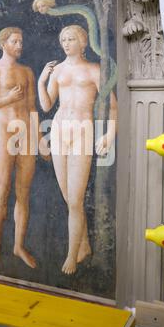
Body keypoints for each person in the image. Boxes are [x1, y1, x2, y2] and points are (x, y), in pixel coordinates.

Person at [38, 25, 117, 275]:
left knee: (75, 200)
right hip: (60, 130)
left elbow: (114, 108)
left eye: (71, 38)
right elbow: (47, 104)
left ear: (83, 42)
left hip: (82, 133)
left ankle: (72, 256)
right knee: (69, 198)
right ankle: (84, 246)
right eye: (63, 39)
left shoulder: (94, 70)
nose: (66, 43)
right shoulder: (58, 70)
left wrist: (110, 134)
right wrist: (42, 81)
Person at [0, 26, 40, 268]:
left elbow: (33, 109)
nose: (19, 45)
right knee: (2, 191)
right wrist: (7, 99)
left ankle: (18, 246)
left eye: (21, 41)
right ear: (3, 43)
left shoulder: (27, 72)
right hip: (5, 138)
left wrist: (40, 140)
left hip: (26, 137)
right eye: (15, 41)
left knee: (23, 194)